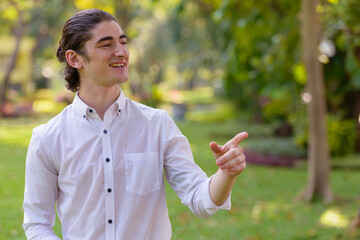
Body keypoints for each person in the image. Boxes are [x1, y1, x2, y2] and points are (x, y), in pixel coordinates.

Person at [23, 8, 248, 240]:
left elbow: (200, 200)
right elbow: (37, 223)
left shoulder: (157, 125)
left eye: (123, 42)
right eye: (106, 44)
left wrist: (226, 174)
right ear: (75, 59)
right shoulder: (48, 138)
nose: (121, 52)